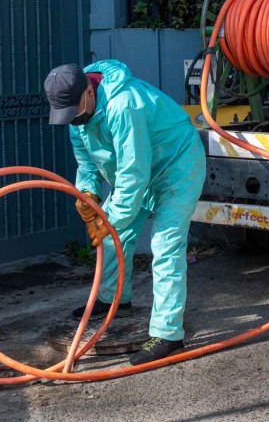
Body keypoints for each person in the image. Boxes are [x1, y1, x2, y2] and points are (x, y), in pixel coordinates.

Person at [43, 59, 206, 365]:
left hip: (176, 166)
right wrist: (88, 192)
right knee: (112, 238)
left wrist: (109, 220)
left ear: (89, 92)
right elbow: (88, 164)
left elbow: (133, 176)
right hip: (140, 173)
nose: (71, 119)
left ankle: (169, 334)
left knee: (166, 246)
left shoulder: (124, 105)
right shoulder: (76, 116)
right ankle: (114, 301)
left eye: (73, 110)